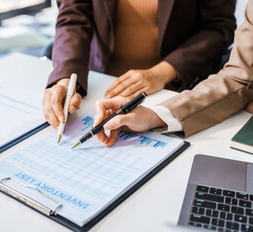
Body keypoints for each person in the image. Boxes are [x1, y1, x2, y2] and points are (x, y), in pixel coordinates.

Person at [42, 0, 236, 129]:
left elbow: (218, 28)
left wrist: (164, 71)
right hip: (100, 86)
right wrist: (66, 77)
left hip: (176, 89)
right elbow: (73, 17)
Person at [93, 0, 253, 147]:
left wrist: (165, 71)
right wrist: (154, 116)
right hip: (102, 81)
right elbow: (238, 78)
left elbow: (219, 27)